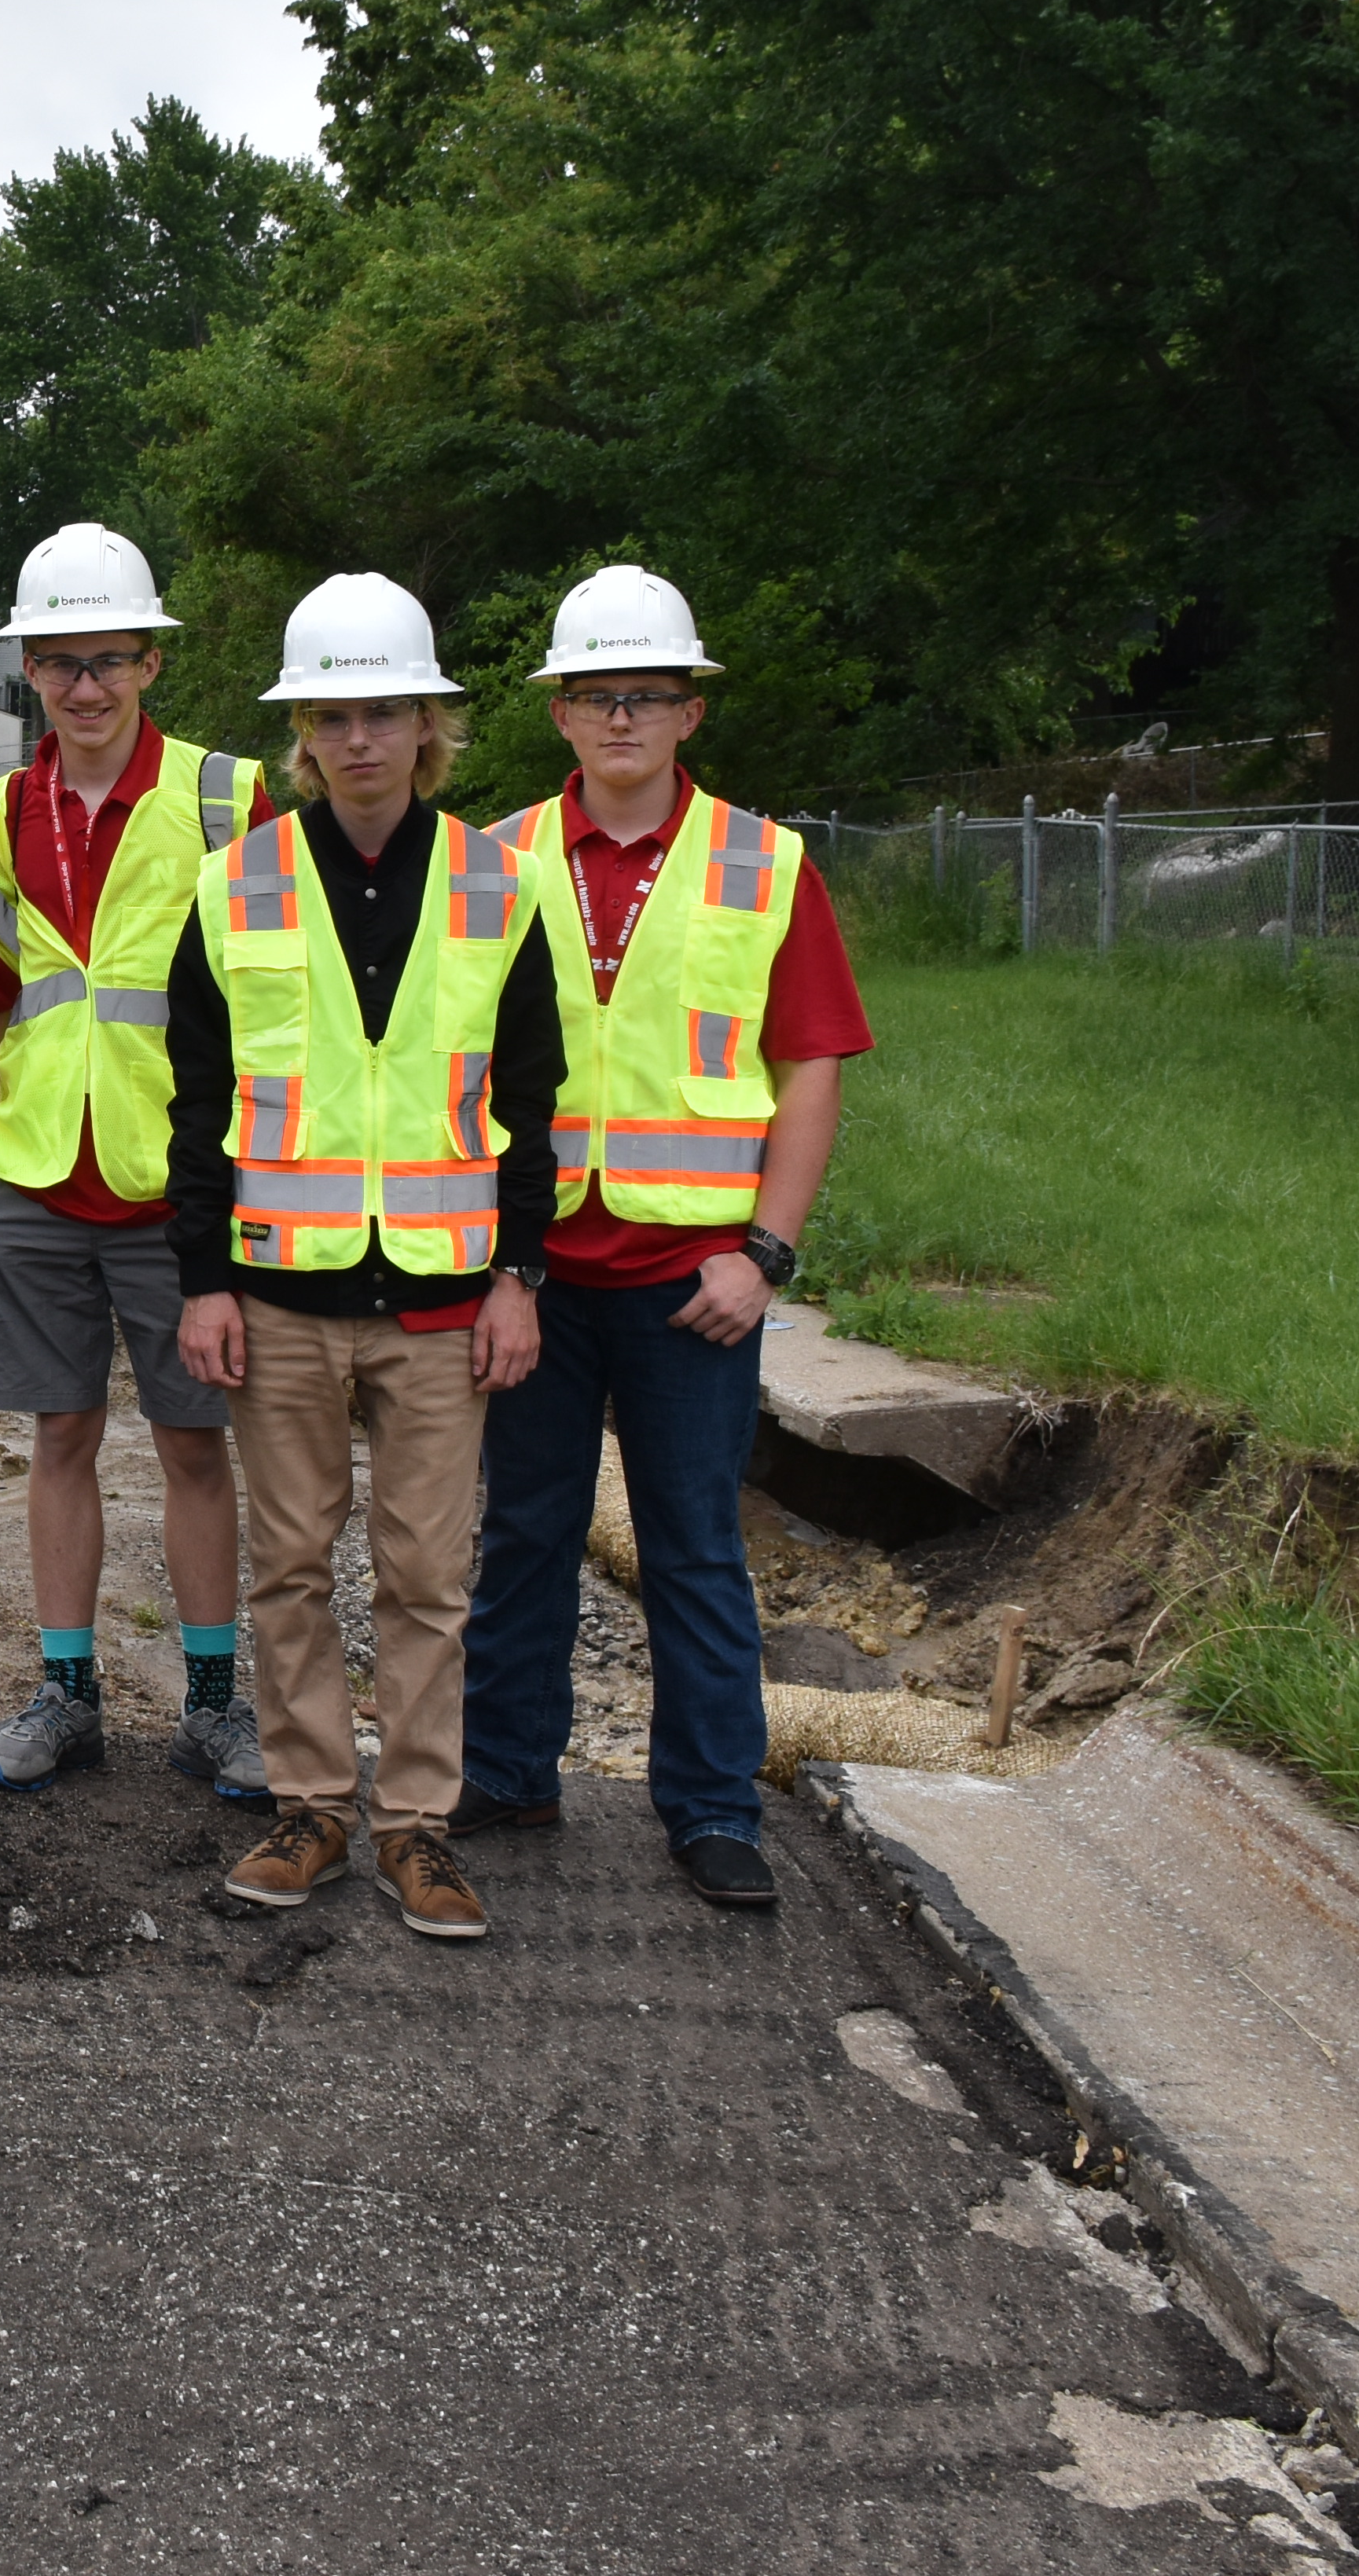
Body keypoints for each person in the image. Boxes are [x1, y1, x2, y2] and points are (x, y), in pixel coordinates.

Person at [461, 564, 871, 1911]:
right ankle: (510, 1775)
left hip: (696, 1283)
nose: (620, 716)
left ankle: (710, 1809)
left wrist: (766, 1252)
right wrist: (493, 1262)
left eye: (647, 694)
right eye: (595, 695)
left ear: (691, 712)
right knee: (526, 1532)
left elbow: (810, 1065)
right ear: (560, 715)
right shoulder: (499, 860)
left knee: (694, 1544)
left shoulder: (765, 865)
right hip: (536, 1275)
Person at [164, 574, 560, 1939]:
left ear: (427, 724)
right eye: (336, 715)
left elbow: (530, 1097)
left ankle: (418, 1827)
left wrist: (522, 1276)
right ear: (305, 734)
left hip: (447, 1302)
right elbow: (202, 1103)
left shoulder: (502, 885)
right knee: (286, 1563)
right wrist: (203, 1278)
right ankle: (311, 1808)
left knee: (426, 1575)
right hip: (280, 1292)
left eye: (385, 710)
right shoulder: (236, 887)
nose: (363, 737)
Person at [0, 523, 270, 1799]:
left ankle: (210, 1702)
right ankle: (66, 1692)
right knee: (60, 1437)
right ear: (28, 668)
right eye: (62, 662)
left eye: (111, 660)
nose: (87, 686)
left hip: (181, 1193)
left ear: (149, 664)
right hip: (37, 1181)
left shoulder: (225, 800)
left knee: (196, 1448)